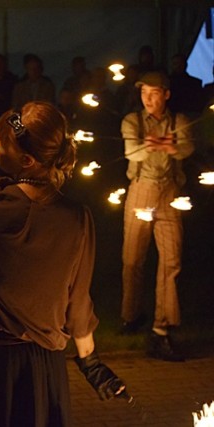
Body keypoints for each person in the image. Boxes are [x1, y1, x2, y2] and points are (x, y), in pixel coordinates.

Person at [0, 2, 127, 426]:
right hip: (45, 371)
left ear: (29, 162)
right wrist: (90, 363)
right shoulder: (78, 219)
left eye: (5, 142)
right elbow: (77, 303)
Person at [119, 71, 194, 362]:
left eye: (153, 93)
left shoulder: (179, 121)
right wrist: (149, 144)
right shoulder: (132, 121)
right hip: (141, 191)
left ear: (166, 94)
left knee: (171, 261)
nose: (147, 99)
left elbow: (187, 147)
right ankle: (130, 316)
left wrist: (171, 146)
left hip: (170, 194)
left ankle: (161, 329)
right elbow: (132, 153)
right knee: (132, 259)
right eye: (143, 94)